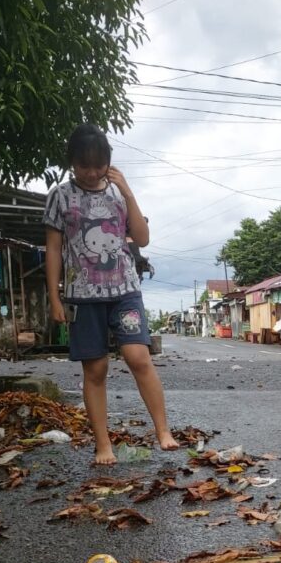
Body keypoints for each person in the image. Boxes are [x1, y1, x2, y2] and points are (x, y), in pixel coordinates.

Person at [44, 123, 179, 464]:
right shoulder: (59, 196)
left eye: (98, 165)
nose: (91, 172)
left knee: (139, 358)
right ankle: (103, 445)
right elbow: (53, 249)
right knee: (96, 370)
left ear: (108, 161)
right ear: (71, 161)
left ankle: (163, 431)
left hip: (125, 291)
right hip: (82, 296)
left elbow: (143, 238)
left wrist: (129, 193)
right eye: (83, 165)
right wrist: (54, 297)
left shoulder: (119, 192)